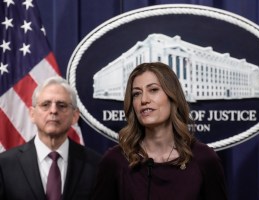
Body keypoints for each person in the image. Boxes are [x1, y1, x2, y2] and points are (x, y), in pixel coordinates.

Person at [92, 62, 228, 199]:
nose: (144, 100)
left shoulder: (203, 158)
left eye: (153, 90)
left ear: (172, 96)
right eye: (136, 94)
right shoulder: (115, 160)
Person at [0, 76, 101, 200]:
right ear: (32, 114)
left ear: (75, 116)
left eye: (62, 105)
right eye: (45, 105)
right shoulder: (4, 165)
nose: (53, 110)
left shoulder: (96, 165)